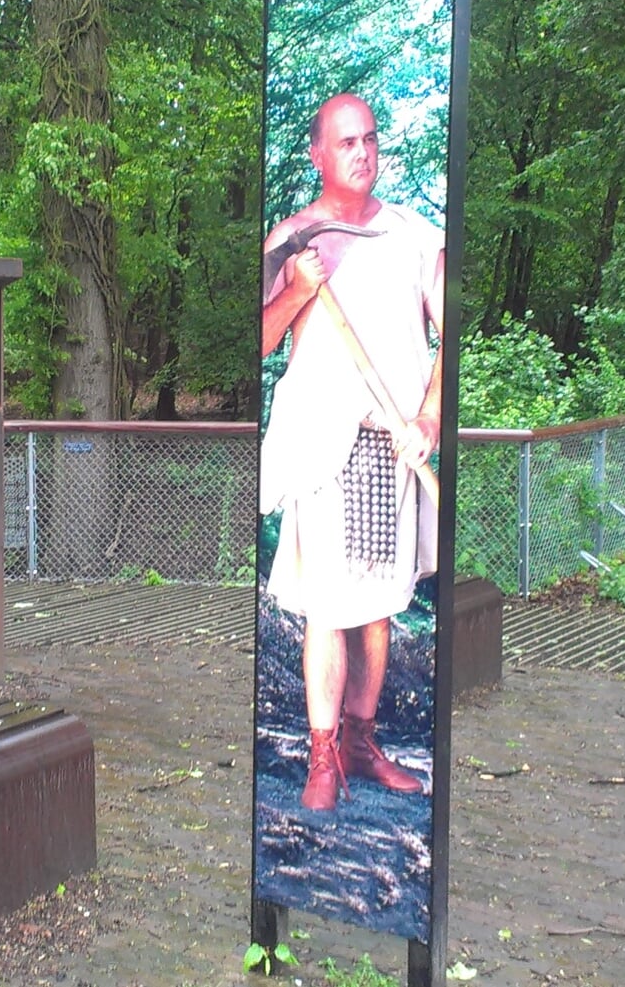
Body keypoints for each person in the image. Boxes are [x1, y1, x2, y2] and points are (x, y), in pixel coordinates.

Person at [259, 93, 444, 812]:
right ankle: (322, 755)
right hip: (323, 446)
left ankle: (363, 745)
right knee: (328, 607)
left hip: (393, 446)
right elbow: (261, 338)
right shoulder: (294, 239)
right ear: (317, 153)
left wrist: (427, 417)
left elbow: (448, 338)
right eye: (345, 143)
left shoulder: (414, 236)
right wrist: (297, 288)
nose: (361, 153)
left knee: (377, 610)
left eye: (369, 139)